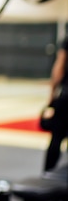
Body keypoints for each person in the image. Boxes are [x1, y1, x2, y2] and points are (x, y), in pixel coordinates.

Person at [43, 35, 68, 172]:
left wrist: (51, 99)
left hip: (65, 97)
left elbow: (59, 67)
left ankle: (47, 175)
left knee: (56, 139)